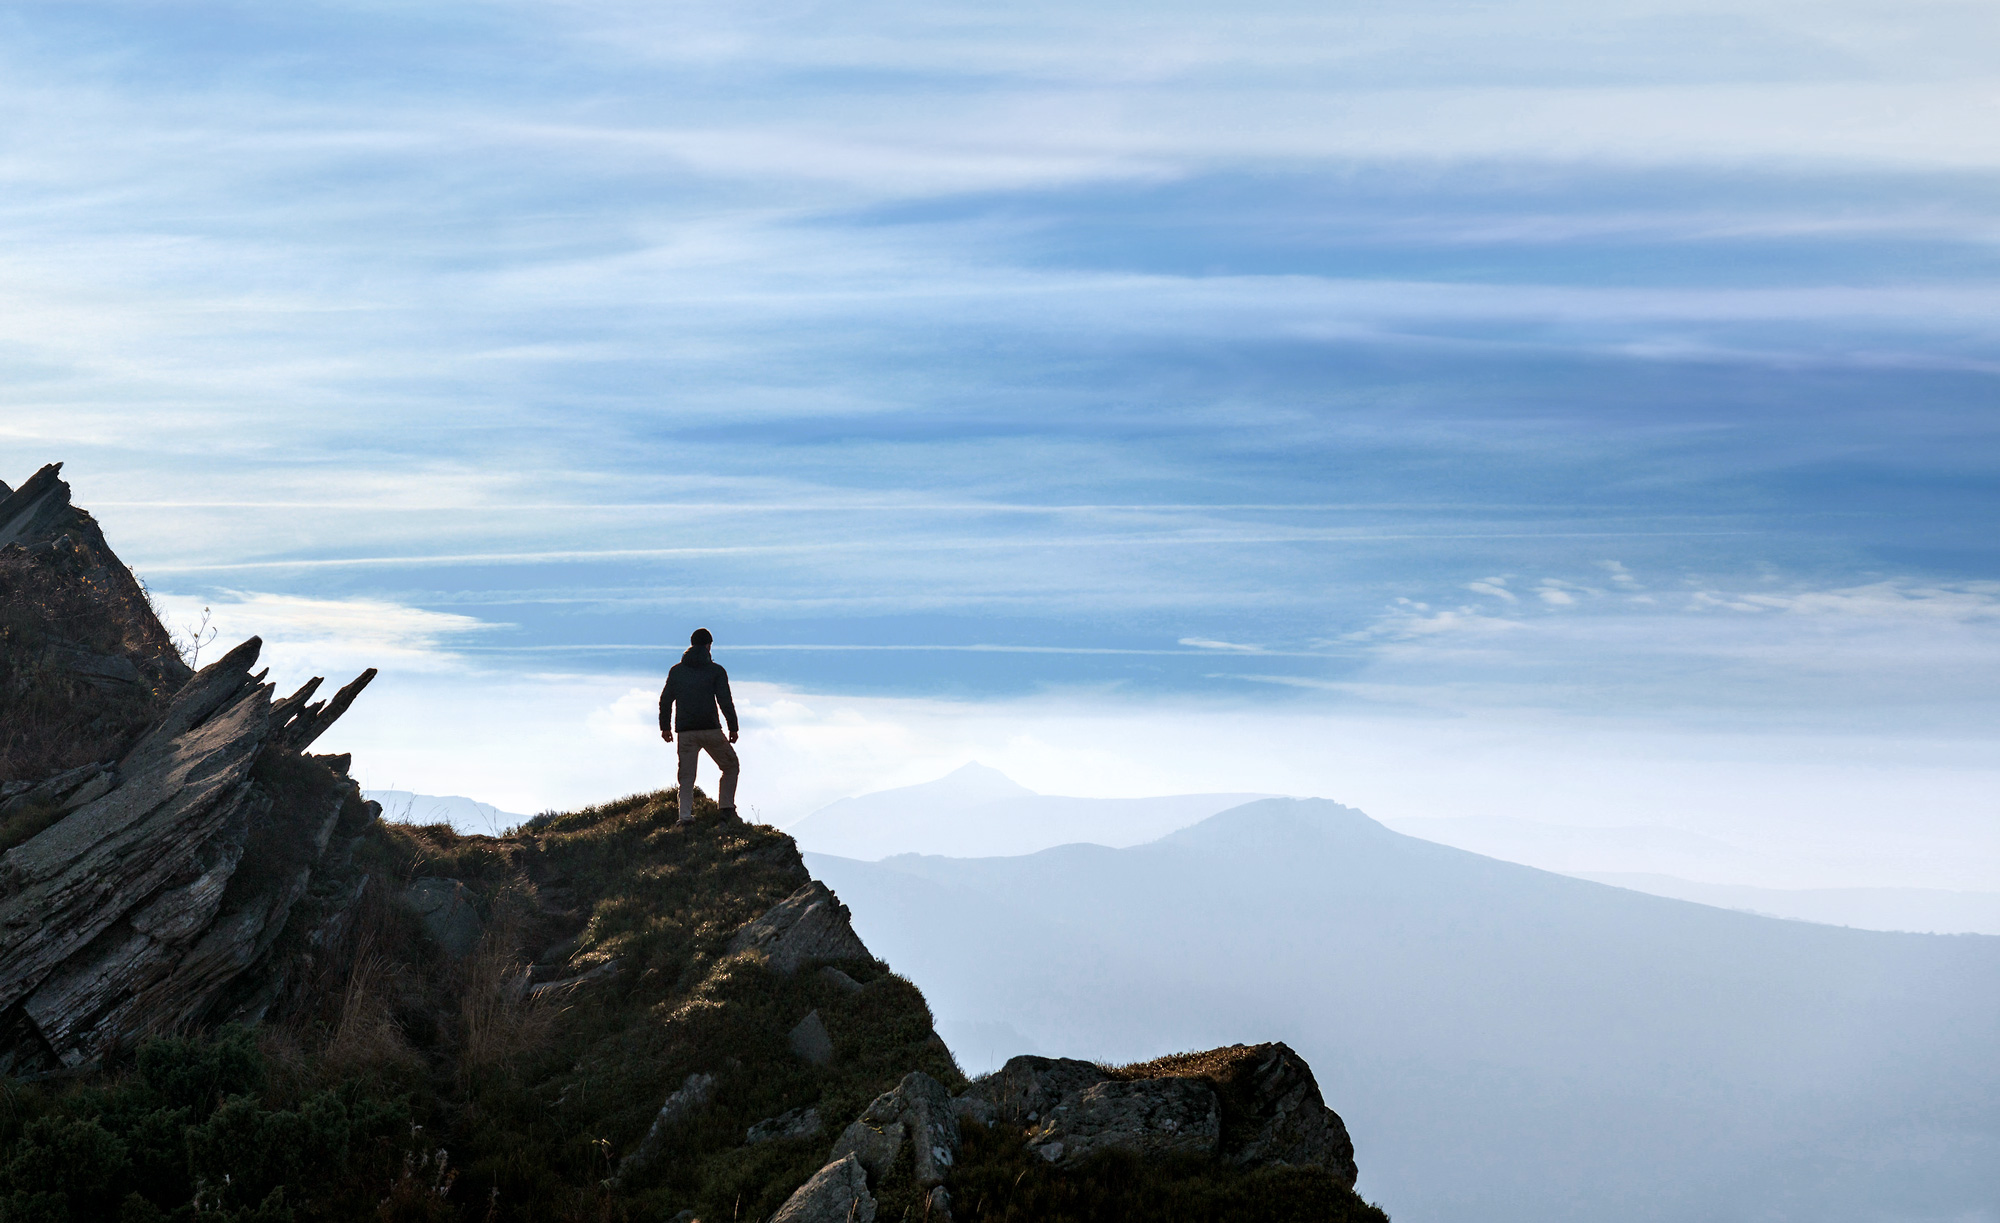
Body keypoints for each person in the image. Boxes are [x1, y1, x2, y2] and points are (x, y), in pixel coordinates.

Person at [659, 627, 740, 825]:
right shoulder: (716, 671)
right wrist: (733, 727)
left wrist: (665, 727)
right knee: (730, 766)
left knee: (686, 777)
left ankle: (685, 817)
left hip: (685, 732)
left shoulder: (677, 671)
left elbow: (666, 700)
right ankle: (726, 810)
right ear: (708, 645)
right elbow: (725, 701)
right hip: (711, 729)